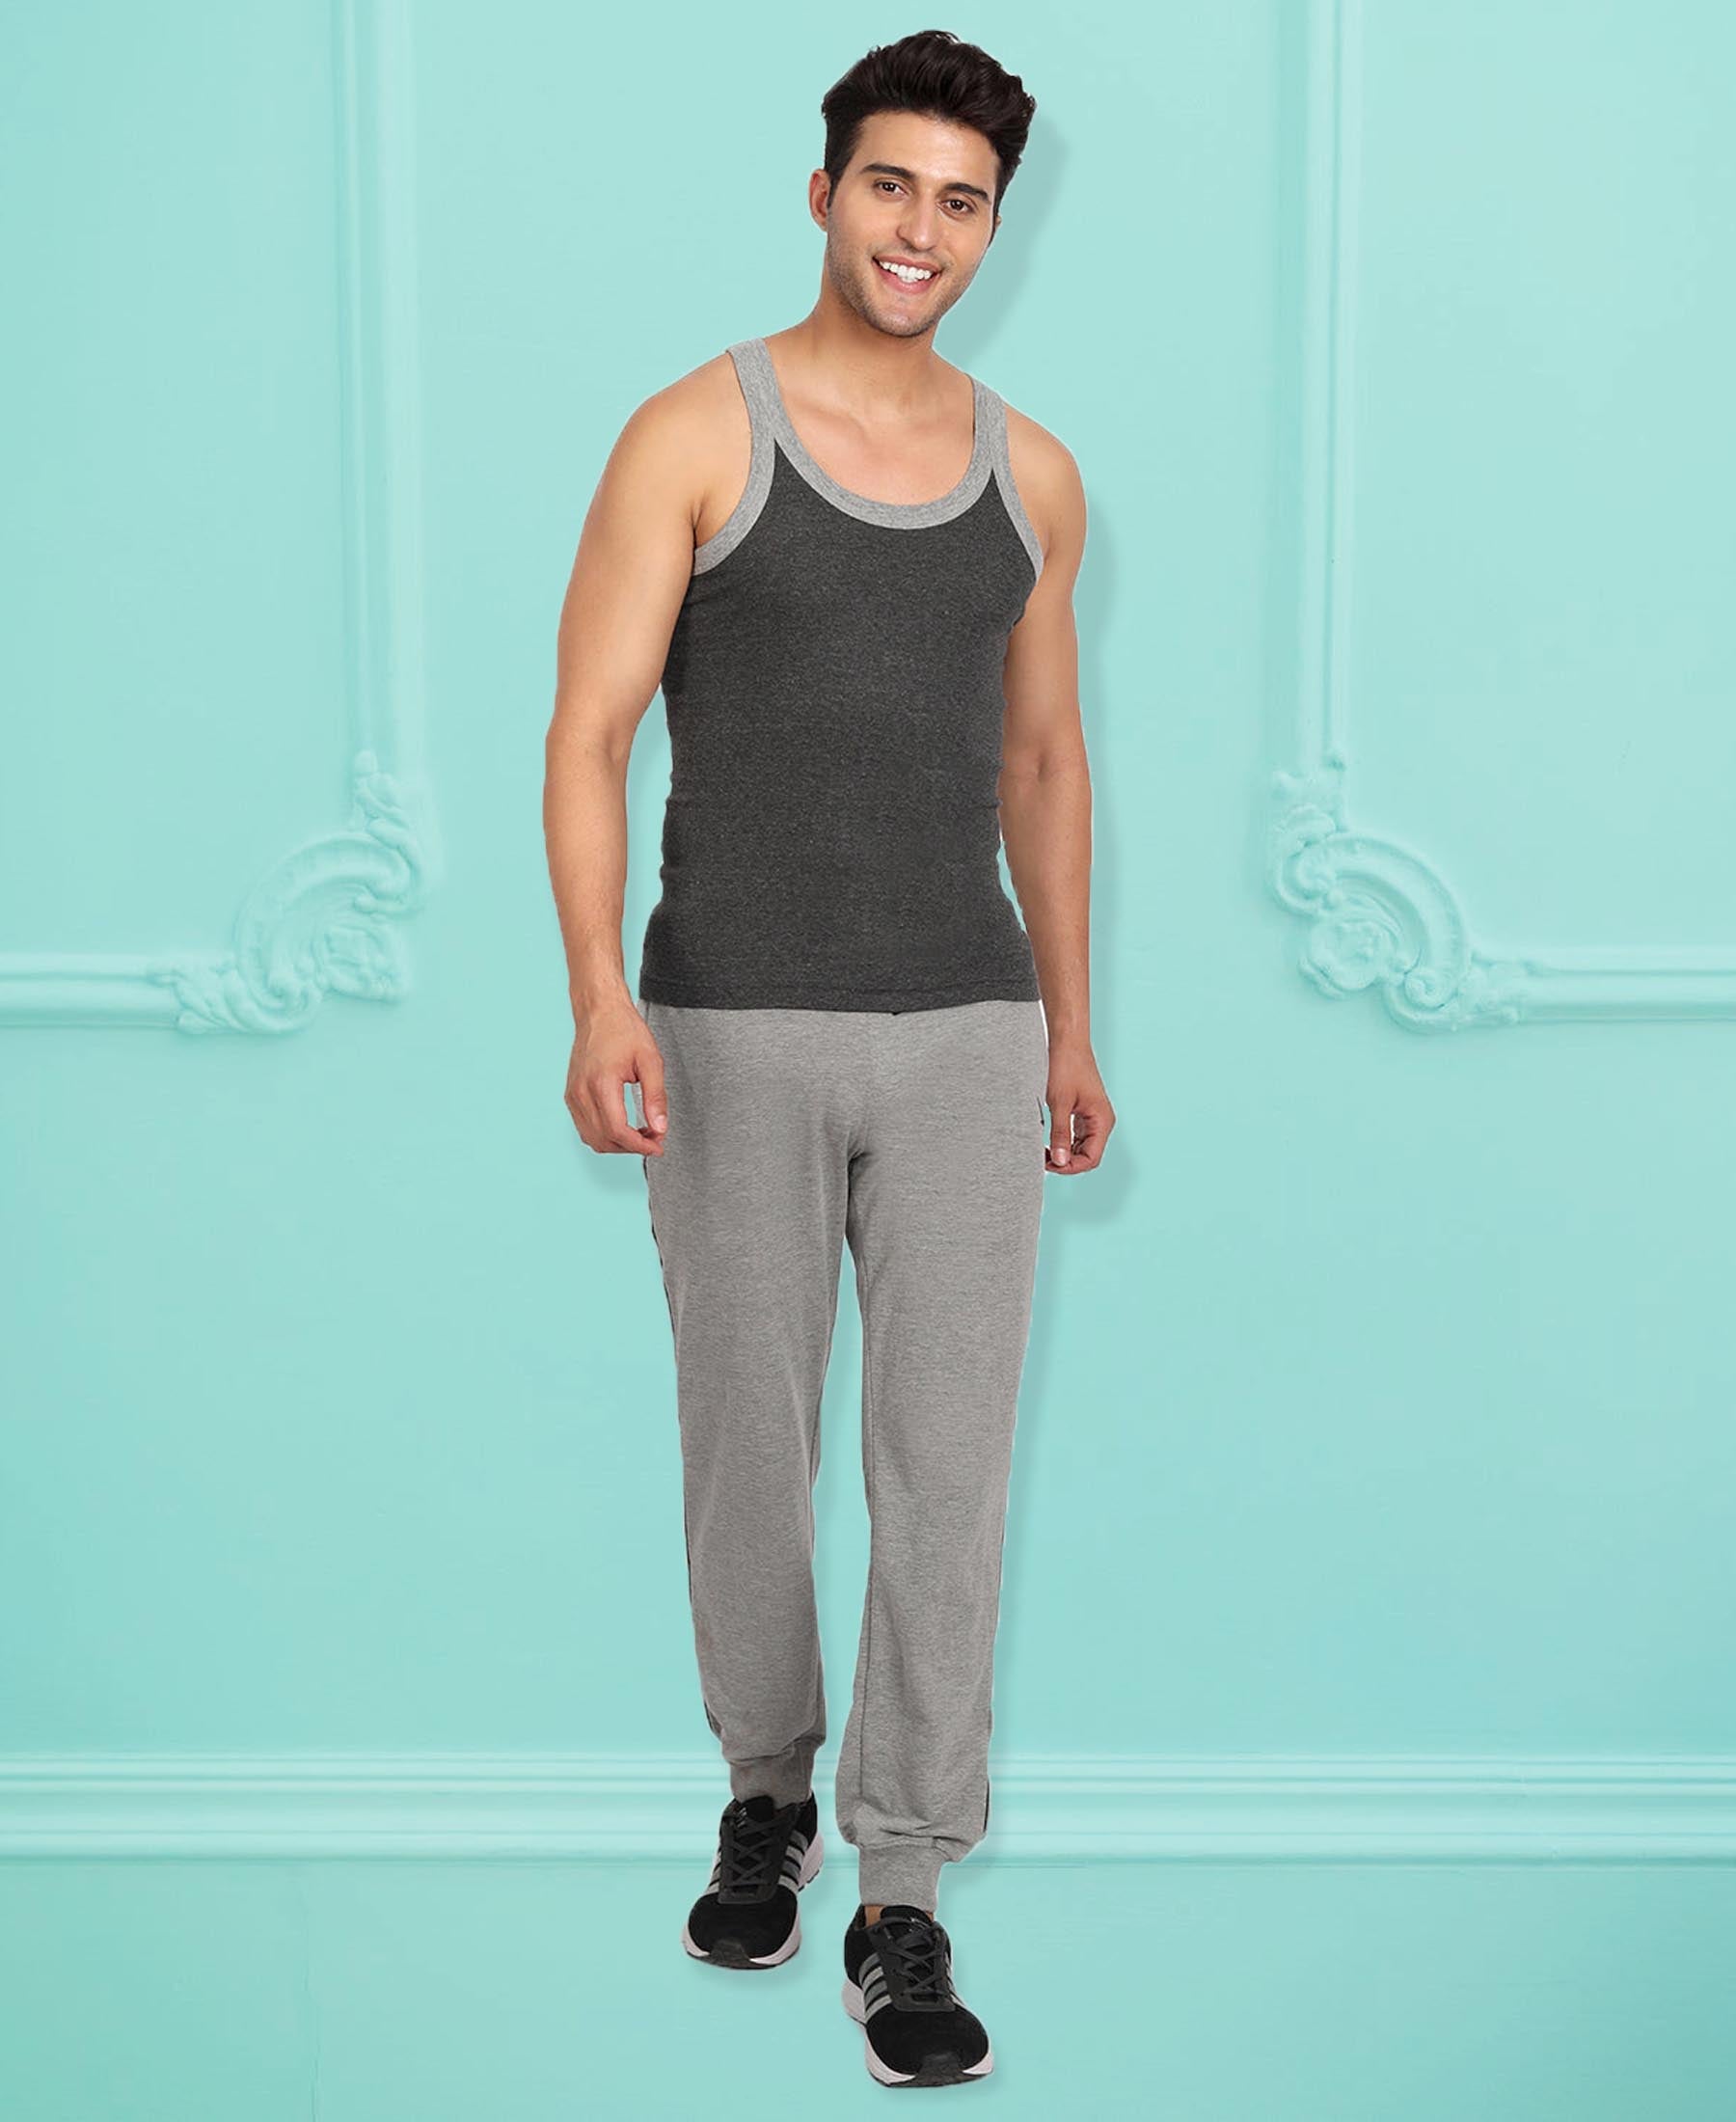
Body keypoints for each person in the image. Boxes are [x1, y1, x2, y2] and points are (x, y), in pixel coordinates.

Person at [544, 27, 1113, 2090]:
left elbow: (1043, 764)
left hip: (965, 1026)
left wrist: (1071, 1022)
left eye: (963, 201)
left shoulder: (1035, 477)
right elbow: (590, 731)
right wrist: (598, 995)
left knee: (947, 1470)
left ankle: (904, 1888)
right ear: (822, 193)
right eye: (892, 184)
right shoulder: (693, 434)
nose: (922, 229)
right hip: (730, 1022)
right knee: (747, 1446)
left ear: (993, 227)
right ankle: (764, 1788)